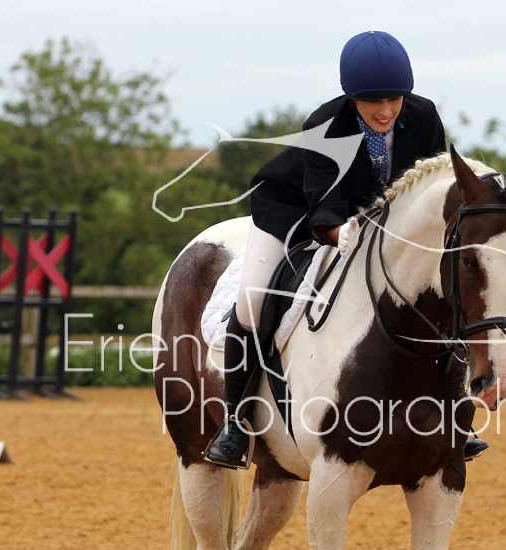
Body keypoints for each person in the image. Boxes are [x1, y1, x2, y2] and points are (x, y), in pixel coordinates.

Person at [206, 31, 488, 469]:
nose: (385, 110)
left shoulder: (423, 116)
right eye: (372, 101)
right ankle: (235, 423)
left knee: (440, 295)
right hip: (295, 211)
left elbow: (429, 184)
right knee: (254, 300)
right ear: (351, 97)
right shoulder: (326, 124)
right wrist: (340, 234)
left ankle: (452, 416)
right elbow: (324, 202)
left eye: (393, 99)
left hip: (378, 222)